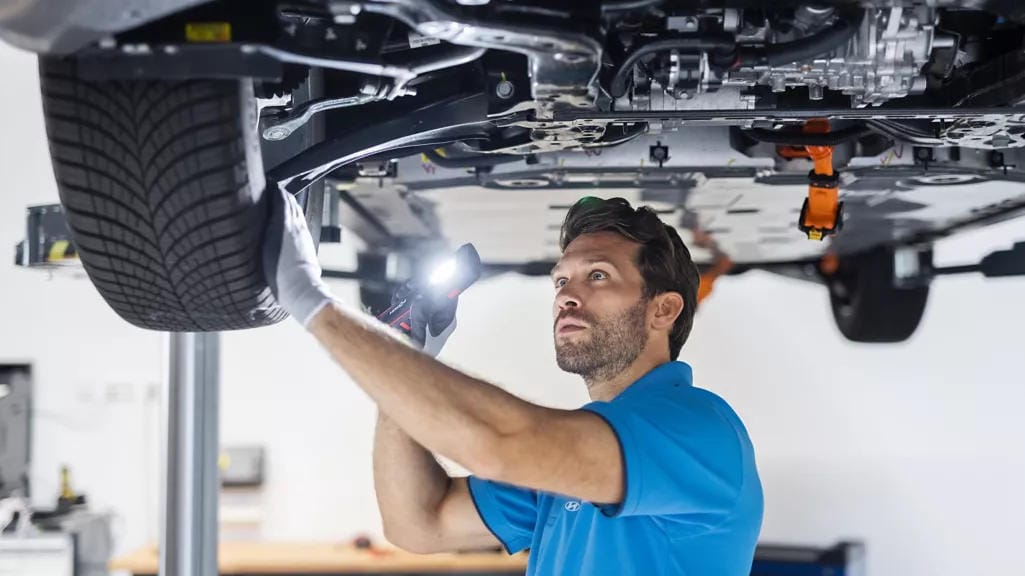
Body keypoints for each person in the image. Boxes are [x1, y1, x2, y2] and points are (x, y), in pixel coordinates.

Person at [262, 192, 763, 575]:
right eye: (562, 281)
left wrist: (313, 304)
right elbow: (419, 522)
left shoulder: (699, 430)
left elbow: (496, 444)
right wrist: (408, 348)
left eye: (598, 276)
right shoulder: (576, 453)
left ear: (664, 309)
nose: (567, 296)